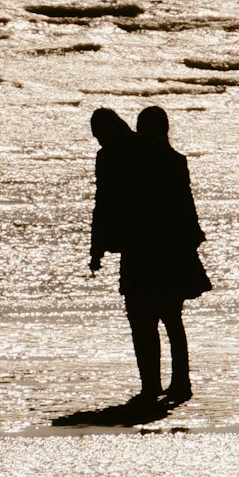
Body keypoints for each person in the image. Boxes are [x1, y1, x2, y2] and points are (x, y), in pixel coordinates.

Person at [90, 102, 209, 409]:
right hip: (171, 248)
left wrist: (98, 246)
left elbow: (107, 204)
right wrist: (193, 238)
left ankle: (152, 385)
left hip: (142, 248)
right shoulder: (171, 159)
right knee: (170, 317)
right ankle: (178, 382)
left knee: (144, 319)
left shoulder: (121, 157)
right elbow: (185, 205)